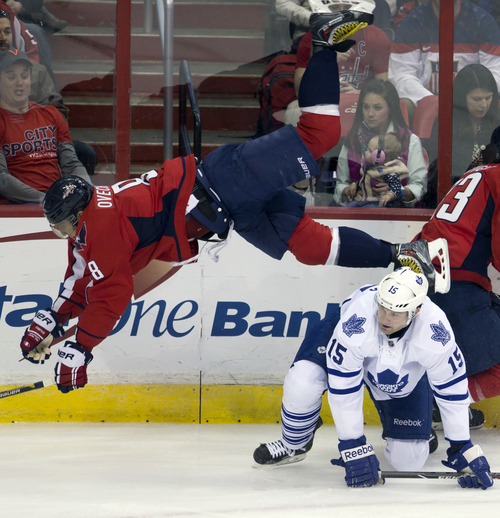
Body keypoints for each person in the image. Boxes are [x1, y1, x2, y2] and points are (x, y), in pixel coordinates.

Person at [18, 7, 445, 394]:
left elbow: (112, 292)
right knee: (309, 246)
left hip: (226, 180)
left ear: (74, 215)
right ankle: (404, 253)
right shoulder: (88, 229)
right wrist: (49, 321)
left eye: (60, 225)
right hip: (228, 206)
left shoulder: (101, 226)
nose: (61, 233)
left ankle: (321, 41)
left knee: (321, 134)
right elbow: (81, 279)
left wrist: (80, 348)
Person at [253, 267, 494, 490]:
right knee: (303, 381)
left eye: (395, 313)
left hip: (402, 371)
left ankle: (419, 429)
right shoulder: (356, 324)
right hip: (346, 340)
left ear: (416, 311)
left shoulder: (435, 334)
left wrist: (461, 446)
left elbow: (452, 390)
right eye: (382, 307)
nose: (385, 318)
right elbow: (344, 388)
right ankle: (295, 443)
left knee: (408, 461)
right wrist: (353, 446)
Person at [416, 125, 500, 408]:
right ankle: (437, 406)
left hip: (423, 271)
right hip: (452, 280)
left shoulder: (477, 173)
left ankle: (433, 403)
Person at [0, 11, 98, 176]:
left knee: (85, 153)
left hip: (38, 139)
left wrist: (37, 135)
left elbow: (58, 111)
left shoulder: (36, 71)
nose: (3, 38)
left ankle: (75, 191)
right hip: (5, 140)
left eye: (7, 32)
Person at [0, 49, 91, 204]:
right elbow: (2, 179)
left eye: (24, 76)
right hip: (20, 204)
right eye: (11, 76)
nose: (19, 82)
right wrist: (46, 200)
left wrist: (86, 191)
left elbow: (71, 165)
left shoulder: (51, 114)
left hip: (57, 200)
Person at [389, 0, 500, 122]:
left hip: (470, 102)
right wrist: (433, 101)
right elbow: (402, 75)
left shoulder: (483, 21)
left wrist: (465, 100)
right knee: (404, 105)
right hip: (426, 99)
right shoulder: (413, 22)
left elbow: (495, 73)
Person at [333, 79, 427, 206]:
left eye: (377, 108)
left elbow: (419, 186)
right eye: (366, 107)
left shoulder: (409, 140)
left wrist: (397, 191)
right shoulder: (352, 139)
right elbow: (340, 183)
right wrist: (348, 191)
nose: (370, 114)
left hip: (397, 213)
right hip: (357, 210)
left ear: (390, 109)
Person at [424, 64, 499, 207]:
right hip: (453, 197)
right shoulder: (446, 123)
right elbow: (437, 171)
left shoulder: (498, 123)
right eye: (477, 99)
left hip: (492, 199)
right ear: (461, 98)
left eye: (488, 98)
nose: (484, 105)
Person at [344, 132, 409, 207]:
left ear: (381, 156)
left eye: (370, 151)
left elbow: (396, 185)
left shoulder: (387, 171)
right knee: (348, 208)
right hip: (365, 200)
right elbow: (365, 181)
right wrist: (355, 184)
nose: (366, 152)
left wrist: (389, 195)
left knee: (367, 210)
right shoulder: (370, 167)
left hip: (380, 203)